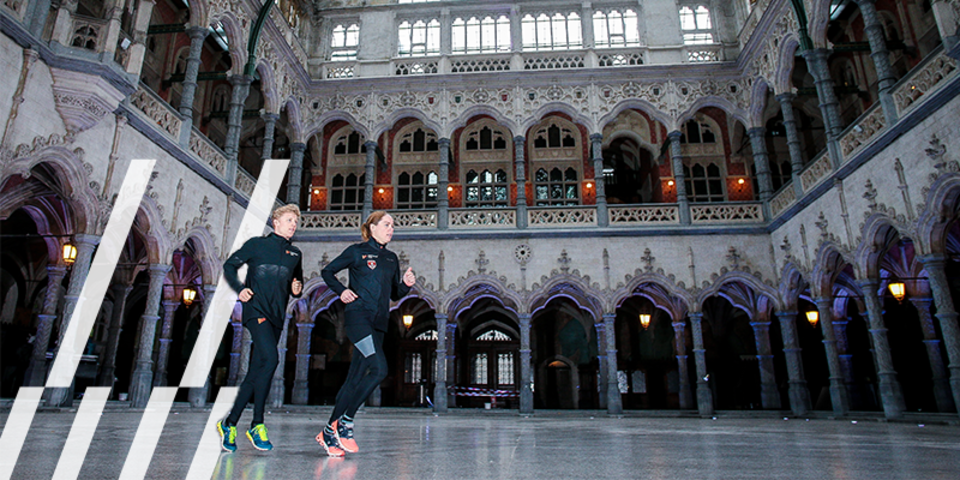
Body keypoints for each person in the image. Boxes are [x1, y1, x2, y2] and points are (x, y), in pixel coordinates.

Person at [317, 211, 415, 456]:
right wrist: (341, 291)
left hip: (378, 324)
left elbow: (394, 294)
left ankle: (329, 431)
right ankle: (346, 421)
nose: (391, 229)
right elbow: (327, 272)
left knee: (354, 379)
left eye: (393, 225)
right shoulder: (356, 251)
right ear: (372, 228)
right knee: (379, 369)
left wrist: (405, 285)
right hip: (358, 319)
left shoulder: (392, 259)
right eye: (386, 224)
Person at [216, 204, 303, 452]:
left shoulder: (295, 254)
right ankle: (257, 423)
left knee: (257, 371)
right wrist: (239, 288)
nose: (292, 225)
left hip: (277, 316)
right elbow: (229, 266)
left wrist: (297, 289)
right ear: (275, 222)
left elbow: (297, 282)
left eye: (295, 222)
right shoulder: (256, 245)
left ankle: (229, 423)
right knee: (272, 359)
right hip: (256, 311)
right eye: (288, 220)